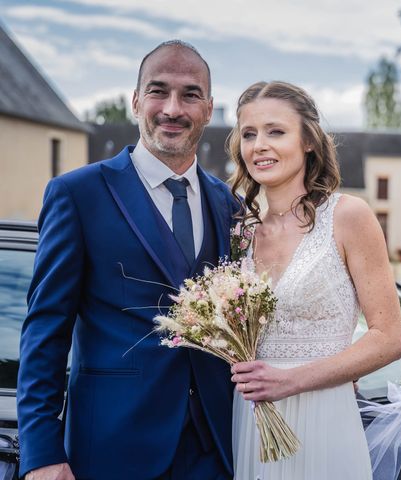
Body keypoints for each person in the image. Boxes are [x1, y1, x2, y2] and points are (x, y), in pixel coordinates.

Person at [17, 40, 239, 480]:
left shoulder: (228, 203)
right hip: (111, 450)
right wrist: (41, 452)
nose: (173, 108)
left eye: (190, 94)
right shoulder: (77, 195)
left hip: (216, 448)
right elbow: (45, 331)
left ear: (209, 109)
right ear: (136, 102)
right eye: (158, 91)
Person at [227, 81, 401, 479]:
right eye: (249, 134)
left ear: (308, 140)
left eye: (276, 131)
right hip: (252, 421)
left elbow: (388, 338)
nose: (259, 145)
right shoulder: (240, 233)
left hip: (323, 418)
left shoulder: (348, 216)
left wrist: (291, 381)